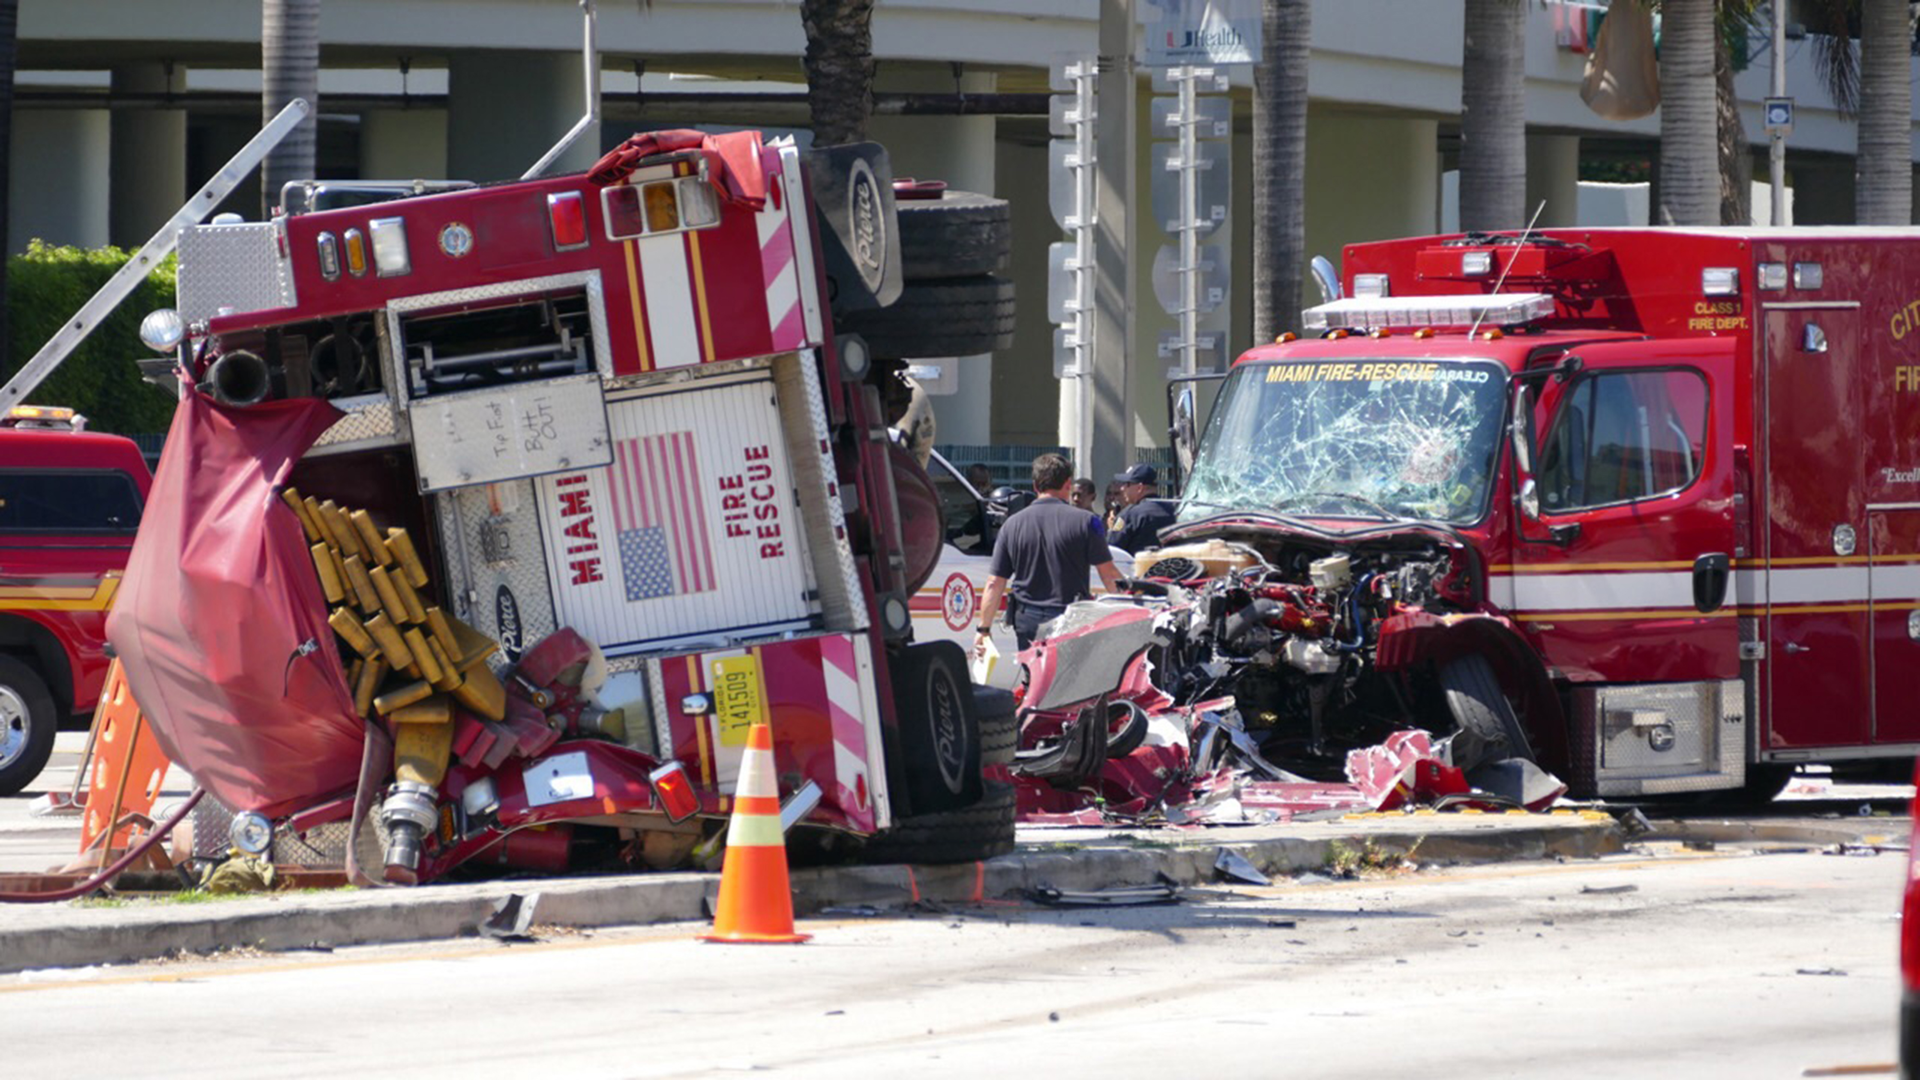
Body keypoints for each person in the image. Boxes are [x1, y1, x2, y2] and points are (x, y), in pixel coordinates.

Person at [976, 453, 1122, 651]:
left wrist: (983, 629)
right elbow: (1109, 575)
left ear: (1035, 486)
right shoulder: (1089, 522)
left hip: (1027, 620)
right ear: (1068, 484)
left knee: (1034, 678)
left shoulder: (1011, 525)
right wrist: (1132, 610)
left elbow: (995, 583)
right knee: (1069, 680)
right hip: (1070, 619)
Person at [1110, 463, 1176, 553]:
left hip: (1138, 566)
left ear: (1139, 487)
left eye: (1127, 484)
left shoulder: (1130, 515)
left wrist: (1111, 529)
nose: (1122, 488)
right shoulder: (1175, 510)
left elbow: (1113, 551)